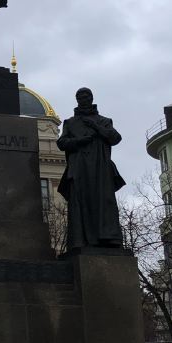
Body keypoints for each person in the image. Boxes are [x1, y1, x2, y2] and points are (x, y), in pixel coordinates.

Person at [56, 87, 125, 251]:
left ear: (92, 98)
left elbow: (115, 138)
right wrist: (79, 141)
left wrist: (96, 126)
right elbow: (62, 143)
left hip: (100, 169)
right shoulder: (70, 123)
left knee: (104, 203)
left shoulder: (104, 121)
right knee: (80, 204)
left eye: (86, 96)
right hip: (79, 169)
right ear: (76, 100)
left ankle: (107, 239)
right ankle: (81, 241)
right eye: (80, 96)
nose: (83, 99)